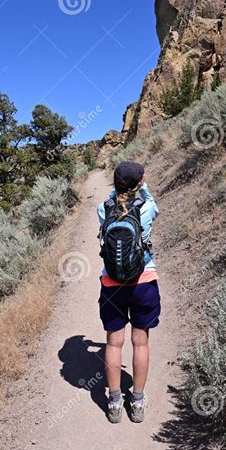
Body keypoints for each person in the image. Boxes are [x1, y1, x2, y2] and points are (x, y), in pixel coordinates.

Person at [97, 161, 161, 423]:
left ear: (115, 184)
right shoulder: (147, 207)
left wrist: (118, 191)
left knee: (113, 342)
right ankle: (136, 401)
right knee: (140, 341)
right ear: (139, 183)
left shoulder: (104, 208)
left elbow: (113, 202)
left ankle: (114, 402)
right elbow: (152, 204)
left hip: (112, 284)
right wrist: (143, 188)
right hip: (143, 281)